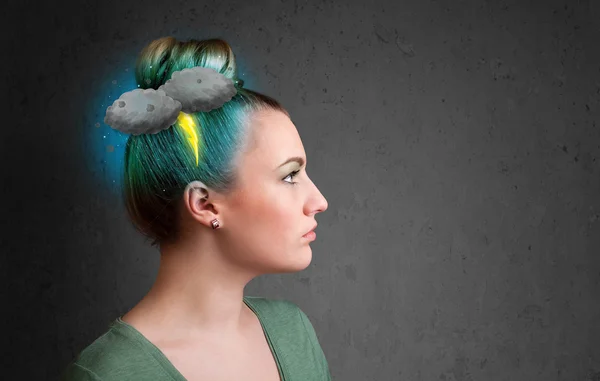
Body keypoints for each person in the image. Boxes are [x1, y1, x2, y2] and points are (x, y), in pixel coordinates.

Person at [61, 36, 330, 381]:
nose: (319, 201)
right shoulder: (108, 375)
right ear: (204, 204)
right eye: (290, 176)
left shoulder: (292, 331)